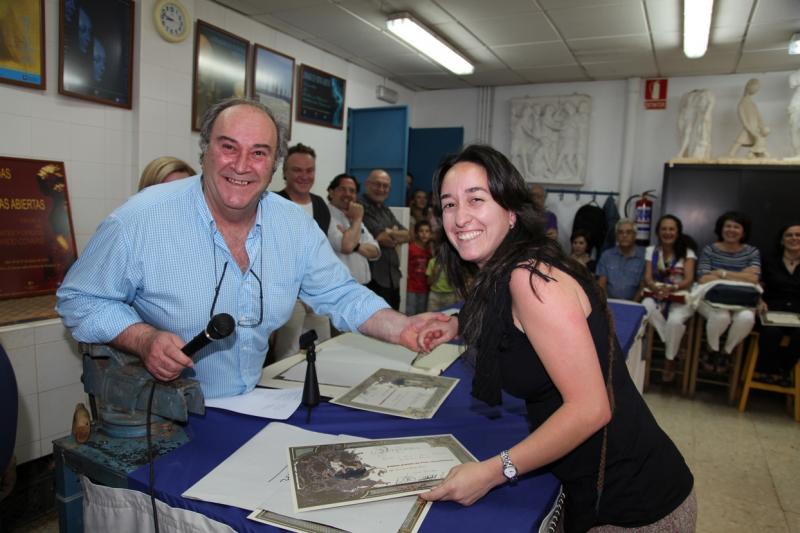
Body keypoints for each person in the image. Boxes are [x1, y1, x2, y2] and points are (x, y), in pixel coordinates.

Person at [56, 97, 454, 399]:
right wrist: (143, 339)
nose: (242, 165)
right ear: (206, 150)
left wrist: (404, 328)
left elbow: (341, 294)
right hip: (159, 415)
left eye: (259, 153)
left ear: (273, 163)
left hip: (249, 402)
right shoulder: (141, 219)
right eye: (228, 147)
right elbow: (80, 300)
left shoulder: (292, 225)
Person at [419, 145, 695, 532]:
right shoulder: (511, 267)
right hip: (594, 488)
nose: (460, 217)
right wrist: (455, 326)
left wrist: (492, 473)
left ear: (511, 210)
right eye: (449, 204)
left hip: (634, 504)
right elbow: (497, 311)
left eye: (476, 199)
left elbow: (590, 409)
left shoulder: (530, 279)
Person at [273, 143, 332, 359]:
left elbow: (321, 253)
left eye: (309, 170)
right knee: (287, 354)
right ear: (285, 172)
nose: (304, 176)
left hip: (317, 293)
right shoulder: (273, 204)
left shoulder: (320, 204)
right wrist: (301, 292)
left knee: (324, 349)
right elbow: (275, 258)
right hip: (288, 294)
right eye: (297, 170)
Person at [696, 211, 760, 368]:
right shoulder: (709, 250)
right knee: (722, 317)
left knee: (746, 318)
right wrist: (741, 275)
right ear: (721, 229)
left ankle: (726, 352)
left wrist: (721, 273)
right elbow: (704, 278)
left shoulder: (752, 252)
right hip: (711, 299)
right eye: (728, 226)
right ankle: (712, 349)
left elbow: (754, 278)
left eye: (736, 227)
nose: (731, 230)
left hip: (742, 300)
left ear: (743, 231)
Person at [640, 215, 697, 382]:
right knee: (645, 306)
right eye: (664, 229)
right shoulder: (652, 251)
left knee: (675, 322)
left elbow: (688, 280)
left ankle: (669, 361)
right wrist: (655, 288)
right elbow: (648, 277)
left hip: (680, 295)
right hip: (657, 293)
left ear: (678, 232)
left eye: (671, 229)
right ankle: (672, 345)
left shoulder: (687, 252)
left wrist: (671, 288)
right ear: (658, 232)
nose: (667, 232)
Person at [755, 222, 800, 382]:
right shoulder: (768, 260)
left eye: (798, 235)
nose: (794, 238)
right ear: (782, 240)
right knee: (771, 333)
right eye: (789, 235)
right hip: (771, 310)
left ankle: (784, 370)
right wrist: (759, 300)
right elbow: (756, 284)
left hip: (798, 313)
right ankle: (766, 371)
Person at [361, 169, 410, 310]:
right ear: (367, 184)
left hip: (392, 278)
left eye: (385, 186)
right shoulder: (361, 207)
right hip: (373, 279)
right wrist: (392, 233)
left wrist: (391, 233)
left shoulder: (385, 210)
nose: (381, 189)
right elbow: (382, 238)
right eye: (377, 184)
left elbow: (408, 234)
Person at [325, 173, 380, 284]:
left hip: (361, 286)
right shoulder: (325, 215)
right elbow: (346, 247)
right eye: (342, 189)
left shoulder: (352, 215)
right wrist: (357, 220)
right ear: (331, 192)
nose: (348, 194)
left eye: (352, 191)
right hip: (338, 287)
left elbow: (375, 251)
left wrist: (355, 244)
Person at [596, 219, 646, 301]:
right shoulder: (607, 256)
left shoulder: (643, 256)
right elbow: (601, 284)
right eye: (620, 232)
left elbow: (642, 287)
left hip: (635, 304)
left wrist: (633, 306)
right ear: (616, 236)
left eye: (628, 232)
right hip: (609, 303)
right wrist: (606, 305)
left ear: (635, 235)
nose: (624, 235)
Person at [406, 220, 432, 315]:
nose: (424, 234)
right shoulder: (411, 248)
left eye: (427, 231)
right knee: (410, 314)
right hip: (411, 287)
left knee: (421, 315)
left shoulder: (430, 249)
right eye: (421, 231)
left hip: (424, 288)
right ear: (416, 233)